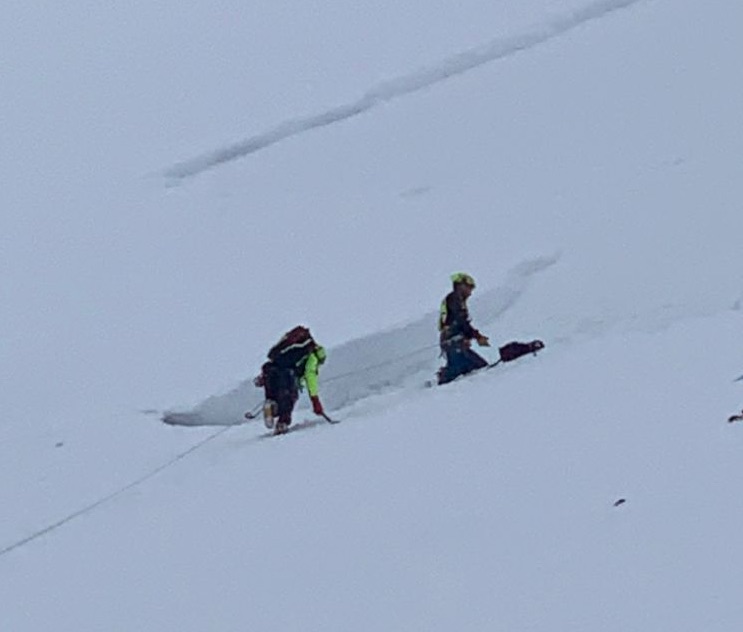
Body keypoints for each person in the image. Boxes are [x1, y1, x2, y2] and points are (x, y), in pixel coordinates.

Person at [253, 326, 327, 435]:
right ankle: (282, 423)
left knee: (275, 395)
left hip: (270, 370)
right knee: (290, 396)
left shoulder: (296, 346)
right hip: (287, 375)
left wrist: (263, 377)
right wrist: (315, 401)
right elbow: (310, 376)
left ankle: (271, 403)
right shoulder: (313, 357)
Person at [437, 272, 490, 385]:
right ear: (461, 285)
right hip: (454, 344)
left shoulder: (454, 300)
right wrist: (477, 336)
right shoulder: (454, 299)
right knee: (478, 367)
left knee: (472, 367)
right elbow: (461, 322)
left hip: (454, 343)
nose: (470, 292)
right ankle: (442, 380)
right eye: (469, 288)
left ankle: (444, 376)